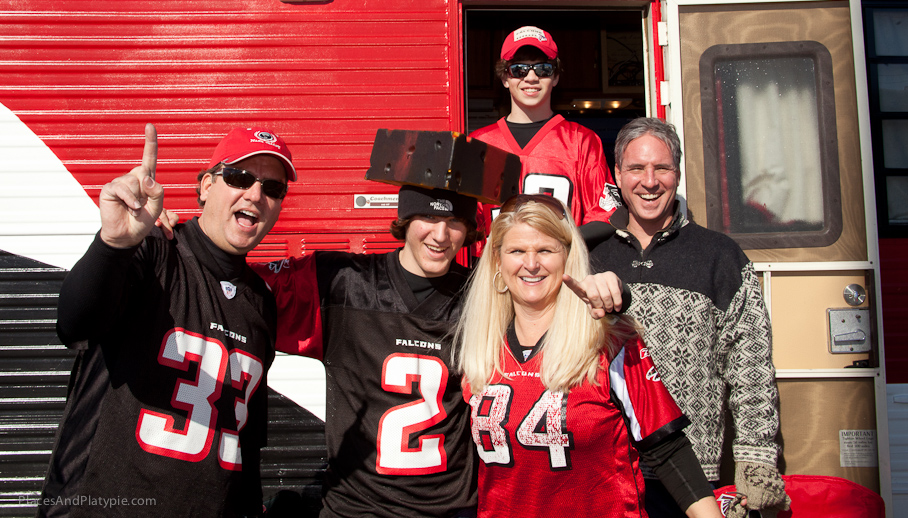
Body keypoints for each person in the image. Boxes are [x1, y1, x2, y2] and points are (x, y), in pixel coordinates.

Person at [253, 184, 626, 517]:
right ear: (404, 221)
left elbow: (547, 289)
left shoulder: (485, 296)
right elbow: (240, 291)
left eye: (455, 222)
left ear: (470, 231)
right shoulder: (341, 281)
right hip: (356, 508)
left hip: (449, 508)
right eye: (427, 217)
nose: (441, 234)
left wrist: (611, 289)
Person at [39, 124, 296, 517]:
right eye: (240, 177)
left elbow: (246, 440)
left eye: (273, 188)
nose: (256, 194)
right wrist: (113, 245)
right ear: (207, 186)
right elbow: (74, 324)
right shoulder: (154, 250)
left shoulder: (260, 302)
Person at [454, 194, 723, 518]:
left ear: (567, 256)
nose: (531, 264)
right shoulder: (479, 348)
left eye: (545, 250)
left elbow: (667, 450)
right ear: (498, 261)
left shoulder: (608, 340)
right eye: (517, 251)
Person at [588, 118, 790, 518]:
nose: (649, 181)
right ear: (617, 175)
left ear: (677, 174)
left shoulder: (719, 256)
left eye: (661, 168)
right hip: (605, 470)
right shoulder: (589, 255)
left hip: (692, 475)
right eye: (636, 169)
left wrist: (756, 460)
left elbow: (750, 365)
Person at [469, 26, 620, 246]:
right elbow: (464, 222)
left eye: (543, 69)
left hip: (562, 274)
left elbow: (607, 214)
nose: (531, 77)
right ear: (504, 77)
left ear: (556, 76)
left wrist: (552, 244)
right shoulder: (478, 144)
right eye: (519, 69)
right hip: (495, 274)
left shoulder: (581, 141)